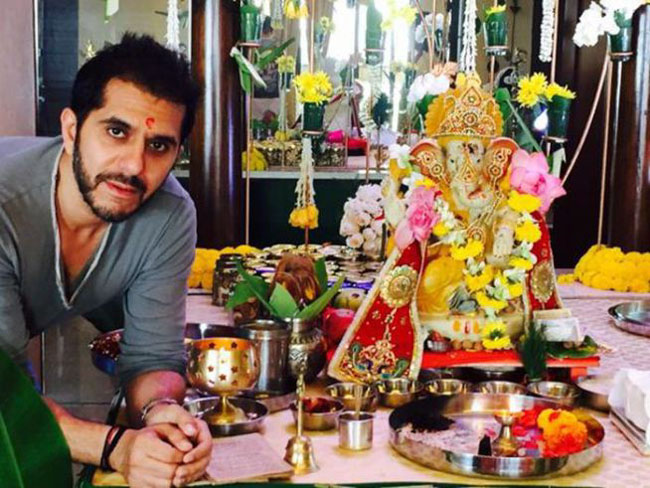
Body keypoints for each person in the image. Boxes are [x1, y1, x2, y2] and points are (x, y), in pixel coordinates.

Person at [0, 33, 212, 487]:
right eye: (117, 131)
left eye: (158, 146)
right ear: (71, 129)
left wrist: (162, 416)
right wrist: (117, 446)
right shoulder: (5, 207)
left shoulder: (169, 216)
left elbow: (153, 356)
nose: (134, 166)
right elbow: (7, 399)